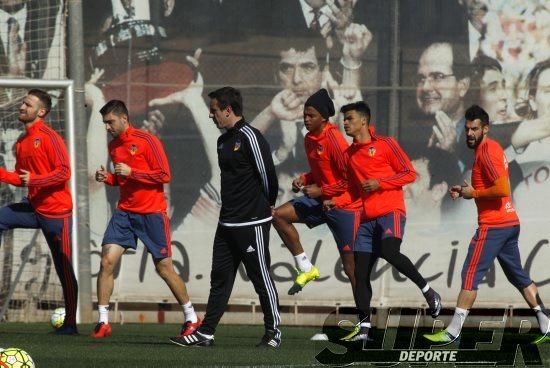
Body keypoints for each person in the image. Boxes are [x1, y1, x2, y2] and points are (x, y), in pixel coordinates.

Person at [424, 105, 550, 344]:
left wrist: (474, 193)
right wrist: (464, 191)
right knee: (519, 277)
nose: (470, 133)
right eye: (468, 129)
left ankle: (452, 332)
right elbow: (487, 188)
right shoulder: (487, 149)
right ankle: (547, 323)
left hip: (494, 226)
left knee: (469, 274)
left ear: (486, 128)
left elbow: (502, 188)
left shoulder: (487, 150)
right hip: (508, 222)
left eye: (475, 129)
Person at [169, 87, 281, 348]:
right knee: (219, 279)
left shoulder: (251, 137)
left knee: (261, 277)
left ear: (228, 110)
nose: (212, 115)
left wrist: (268, 206)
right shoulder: (223, 141)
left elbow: (268, 176)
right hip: (226, 222)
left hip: (251, 223)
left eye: (214, 110)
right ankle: (206, 332)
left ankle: (273, 332)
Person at [326, 101, 442, 342]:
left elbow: (410, 173)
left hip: (391, 211)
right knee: (360, 273)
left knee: (390, 251)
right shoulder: (349, 154)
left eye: (349, 119)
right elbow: (354, 192)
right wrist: (336, 201)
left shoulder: (386, 144)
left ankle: (428, 291)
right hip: (366, 219)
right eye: (344, 119)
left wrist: (381, 182)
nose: (345, 123)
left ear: (363, 121)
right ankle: (365, 329)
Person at [92, 100, 199, 338]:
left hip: (151, 214)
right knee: (107, 261)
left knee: (164, 269)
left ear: (124, 118)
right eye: (104, 123)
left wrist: (133, 172)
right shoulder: (114, 146)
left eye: (110, 122)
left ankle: (191, 316)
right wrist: (108, 177)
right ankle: (102, 321)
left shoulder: (147, 140)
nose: (107, 127)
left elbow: (164, 175)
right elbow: (122, 181)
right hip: (124, 213)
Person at [0, 89, 78, 334]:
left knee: (63, 266)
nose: (22, 107)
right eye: (22, 103)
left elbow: (64, 172)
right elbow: (21, 179)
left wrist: (35, 180)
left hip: (57, 213)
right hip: (33, 208)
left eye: (28, 104)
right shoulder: (22, 142)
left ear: (41, 112)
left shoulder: (49, 137)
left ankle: (70, 325)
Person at [272, 88, 362, 295]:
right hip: (321, 201)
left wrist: (322, 190)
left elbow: (351, 181)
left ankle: (364, 322)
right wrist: (304, 179)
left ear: (323, 118)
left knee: (351, 269)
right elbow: (321, 170)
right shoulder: (309, 139)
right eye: (304, 115)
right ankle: (305, 267)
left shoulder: (335, 139)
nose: (306, 119)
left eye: (311, 115)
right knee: (277, 216)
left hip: (343, 206)